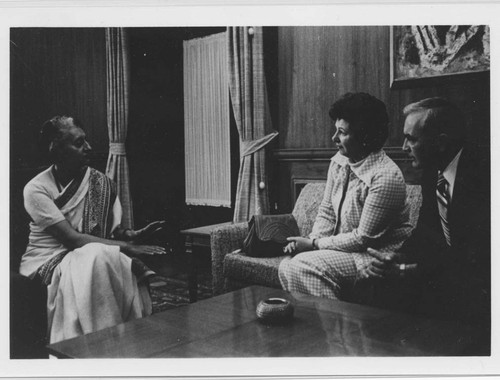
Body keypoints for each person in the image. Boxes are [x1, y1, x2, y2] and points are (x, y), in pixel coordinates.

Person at [20, 115, 167, 343]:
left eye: (86, 140)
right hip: (49, 258)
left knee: (108, 258)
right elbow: (72, 240)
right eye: (79, 143)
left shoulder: (100, 182)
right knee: (99, 256)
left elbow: (114, 232)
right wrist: (128, 248)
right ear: (56, 150)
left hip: (89, 251)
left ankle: (122, 338)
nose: (88, 148)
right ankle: (97, 341)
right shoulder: (35, 189)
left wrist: (134, 236)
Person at [365, 97, 490, 325]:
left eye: (411, 139)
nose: (404, 148)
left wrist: (406, 270)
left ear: (440, 142)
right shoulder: (433, 172)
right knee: (376, 283)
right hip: (448, 274)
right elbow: (425, 232)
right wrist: (396, 257)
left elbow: (475, 258)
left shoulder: (485, 176)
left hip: (481, 282)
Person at [278, 92, 413, 300]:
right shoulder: (339, 162)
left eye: (342, 133)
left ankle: (338, 325)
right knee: (286, 265)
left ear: (364, 137)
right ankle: (320, 327)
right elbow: (327, 212)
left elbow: (362, 239)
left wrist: (313, 246)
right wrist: (309, 241)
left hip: (370, 257)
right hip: (343, 251)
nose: (334, 139)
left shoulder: (386, 177)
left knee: (301, 266)